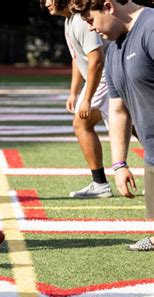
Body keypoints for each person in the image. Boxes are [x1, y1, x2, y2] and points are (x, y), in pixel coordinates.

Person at [71, 0, 154, 250]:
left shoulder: (151, 28)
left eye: (90, 21)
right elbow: (118, 110)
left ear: (108, 7)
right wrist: (119, 164)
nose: (92, 29)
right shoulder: (115, 49)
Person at [41, 0, 113, 198]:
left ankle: (100, 184)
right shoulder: (69, 21)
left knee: (81, 124)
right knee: (133, 126)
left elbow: (96, 60)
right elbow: (77, 57)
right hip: (102, 78)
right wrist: (74, 92)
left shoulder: (81, 20)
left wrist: (87, 99)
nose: (45, 3)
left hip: (105, 78)